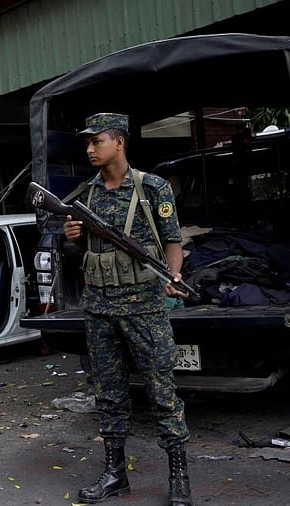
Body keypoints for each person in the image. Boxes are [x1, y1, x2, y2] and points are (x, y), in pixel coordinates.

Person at [64, 113, 192, 505]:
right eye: (86, 143)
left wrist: (173, 274)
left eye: (96, 141)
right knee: (109, 393)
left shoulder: (152, 188)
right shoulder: (86, 194)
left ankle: (179, 476)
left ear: (119, 142)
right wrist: (74, 238)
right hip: (100, 306)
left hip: (144, 307)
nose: (89, 149)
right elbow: (85, 251)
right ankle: (114, 473)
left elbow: (172, 240)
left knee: (162, 391)